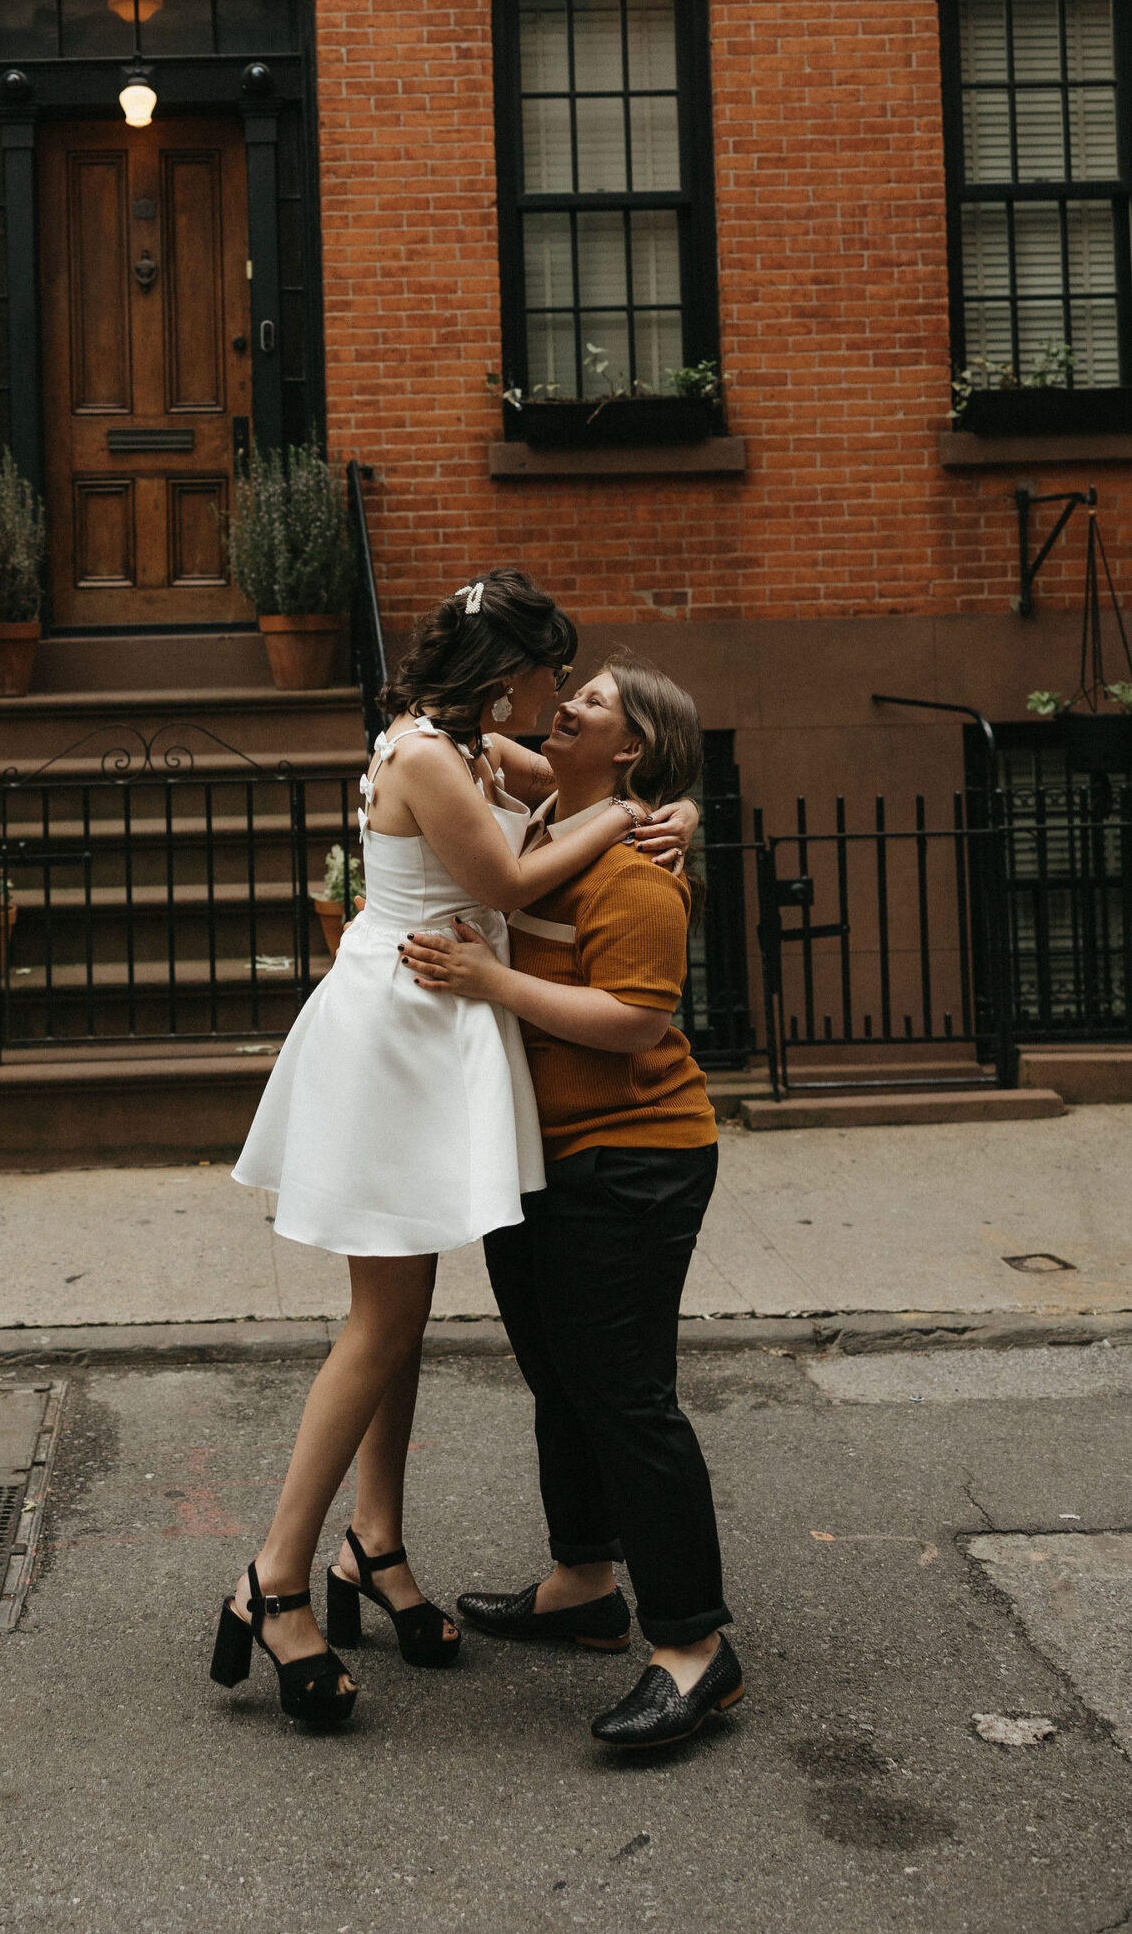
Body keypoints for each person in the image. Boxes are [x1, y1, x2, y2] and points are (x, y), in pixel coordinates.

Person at [211, 580, 699, 1731]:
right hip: (399, 1036)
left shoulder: (474, 743)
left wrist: (673, 812)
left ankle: (373, 1544)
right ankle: (275, 1580)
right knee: (380, 1320)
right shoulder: (429, 755)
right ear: (504, 672)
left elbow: (584, 793)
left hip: (433, 1035)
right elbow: (512, 881)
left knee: (403, 1313)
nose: (551, 703)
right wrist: (631, 818)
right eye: (548, 678)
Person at [400, 656, 741, 1752]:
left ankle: (695, 1647)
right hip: (541, 1154)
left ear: (630, 746)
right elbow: (453, 729)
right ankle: (586, 1583)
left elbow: (638, 1020)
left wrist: (493, 984)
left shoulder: (636, 866)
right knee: (561, 1376)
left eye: (589, 702)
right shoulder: (545, 813)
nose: (565, 706)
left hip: (633, 1156)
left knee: (626, 1393)